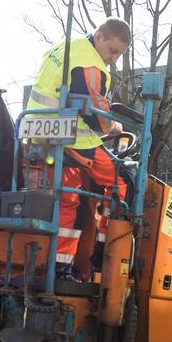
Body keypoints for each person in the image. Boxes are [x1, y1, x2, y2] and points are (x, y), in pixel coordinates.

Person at [26, 17, 131, 279]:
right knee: (122, 183)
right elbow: (98, 116)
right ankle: (102, 252)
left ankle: (59, 267)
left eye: (119, 54)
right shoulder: (91, 65)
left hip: (38, 132)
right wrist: (113, 128)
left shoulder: (63, 48)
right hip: (71, 138)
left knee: (67, 199)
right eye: (113, 51)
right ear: (99, 37)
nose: (114, 59)